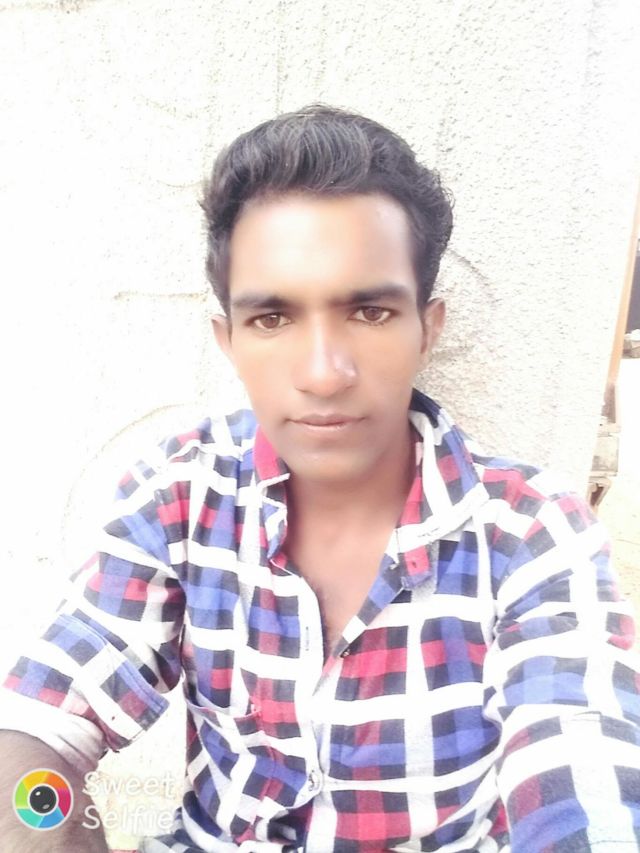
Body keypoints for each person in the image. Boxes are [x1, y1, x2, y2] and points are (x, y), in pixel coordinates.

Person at [1, 105, 639, 853]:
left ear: (427, 328)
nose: (324, 373)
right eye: (272, 319)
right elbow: (35, 727)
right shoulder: (180, 492)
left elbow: (583, 765)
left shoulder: (531, 530)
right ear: (228, 340)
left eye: (370, 311)